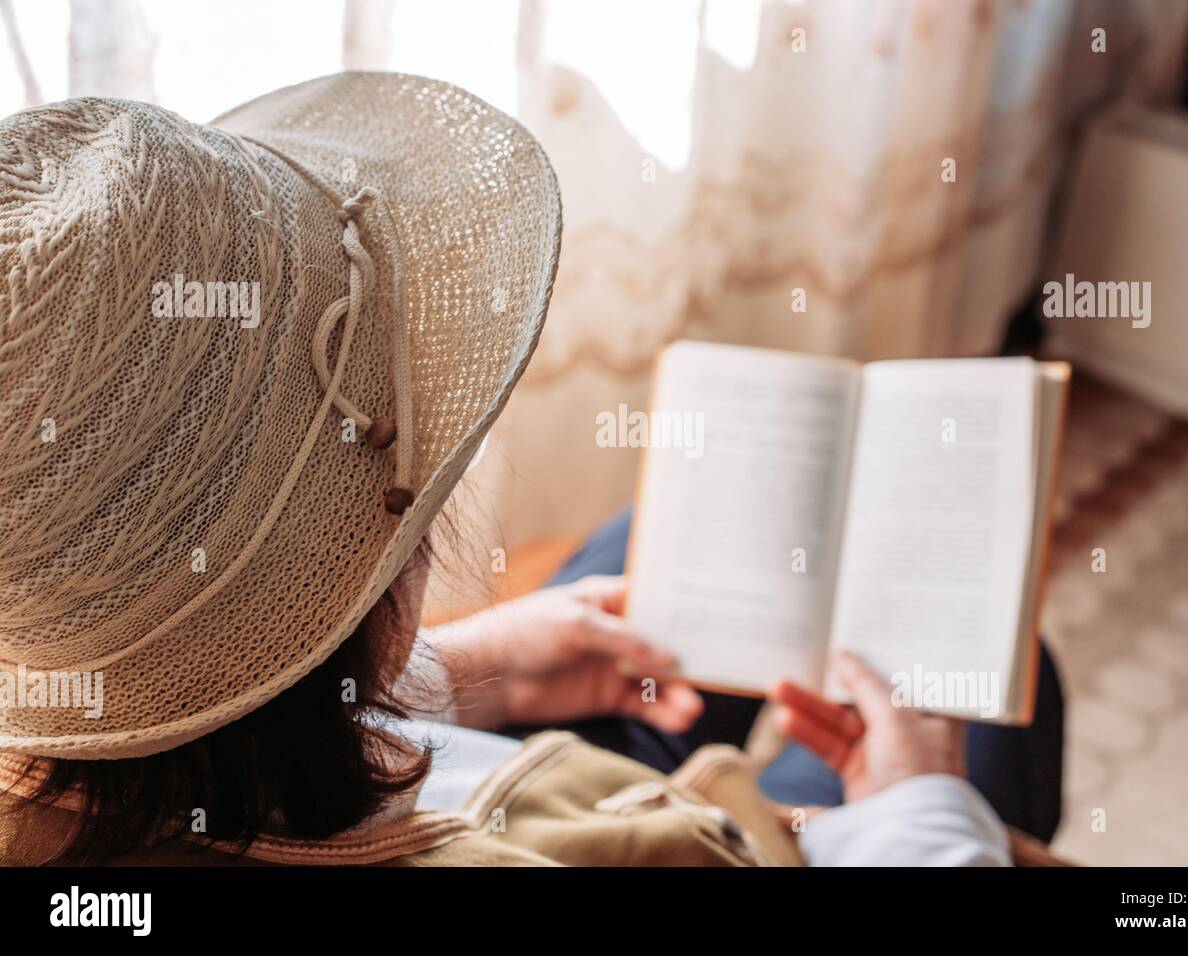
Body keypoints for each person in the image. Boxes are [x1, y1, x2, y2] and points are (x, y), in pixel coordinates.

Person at [0, 72, 1060, 868]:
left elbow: (223, 762)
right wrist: (922, 804)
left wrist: (458, 673)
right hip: (643, 813)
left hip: (396, 752)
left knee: (637, 553)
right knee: (1002, 687)